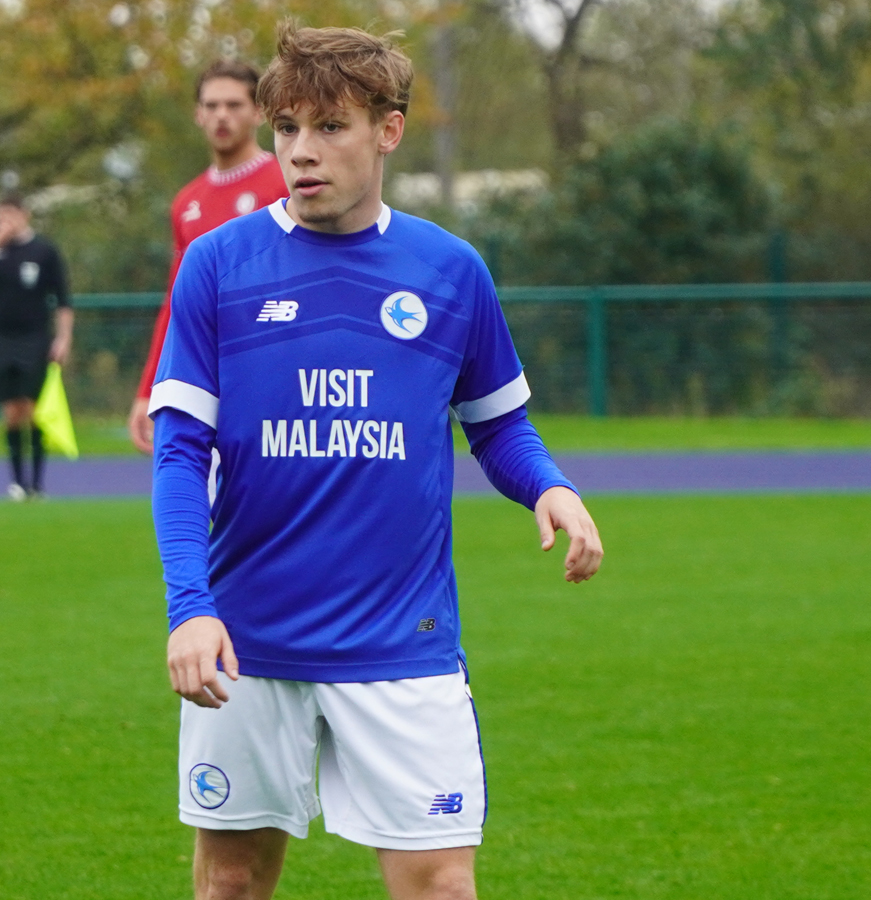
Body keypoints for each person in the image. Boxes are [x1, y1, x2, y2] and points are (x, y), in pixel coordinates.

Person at [148, 23, 605, 900]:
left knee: (438, 884)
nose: (300, 153)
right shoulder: (217, 266)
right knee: (231, 884)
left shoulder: (450, 272)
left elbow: (499, 427)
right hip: (247, 644)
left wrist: (550, 487)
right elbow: (179, 454)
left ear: (388, 130)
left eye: (330, 128)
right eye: (286, 129)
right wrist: (189, 607)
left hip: (405, 646)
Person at [126, 59, 288, 454]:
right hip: (206, 379)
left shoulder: (285, 182)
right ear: (198, 114)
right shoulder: (187, 202)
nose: (222, 115)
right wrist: (150, 387)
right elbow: (176, 302)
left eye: (233, 105)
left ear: (258, 112)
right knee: (209, 507)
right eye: (212, 105)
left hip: (276, 379)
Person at [0, 192, 74, 500]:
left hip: (36, 338)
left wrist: (63, 338)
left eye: (8, 216)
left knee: (35, 409)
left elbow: (63, 299)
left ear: (23, 214)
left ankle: (37, 484)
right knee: (12, 411)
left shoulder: (44, 251)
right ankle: (17, 482)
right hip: (3, 339)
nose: (3, 223)